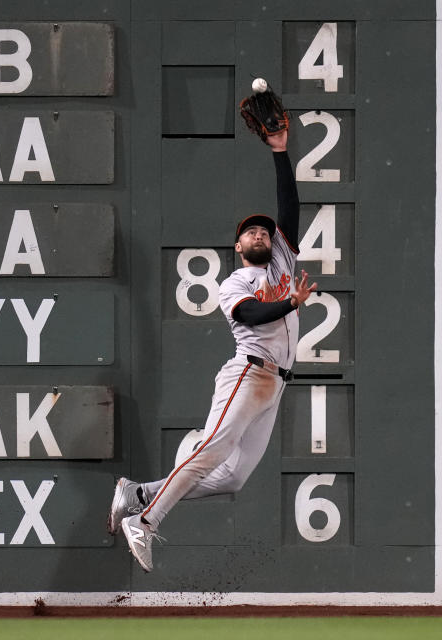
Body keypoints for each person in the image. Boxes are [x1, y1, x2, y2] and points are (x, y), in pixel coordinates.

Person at [107, 129, 316, 572]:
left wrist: (280, 152)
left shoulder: (281, 262)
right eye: (249, 233)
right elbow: (252, 317)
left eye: (263, 230)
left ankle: (139, 493)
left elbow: (290, 208)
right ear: (238, 247)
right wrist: (290, 303)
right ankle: (145, 519)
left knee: (233, 476)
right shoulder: (234, 283)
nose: (258, 234)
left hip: (274, 385)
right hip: (249, 372)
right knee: (213, 453)